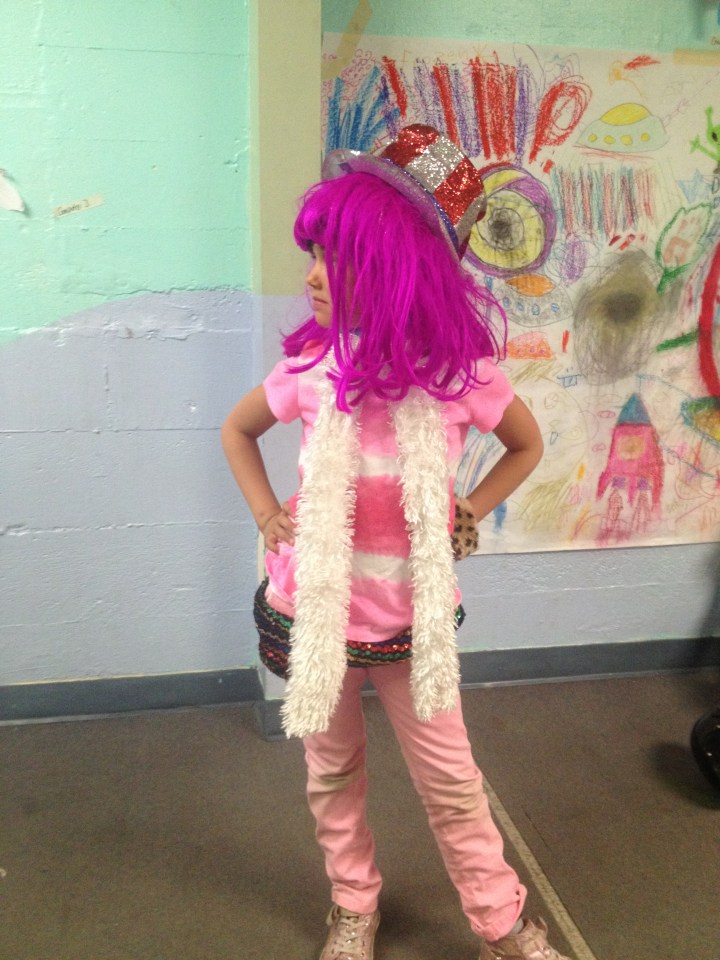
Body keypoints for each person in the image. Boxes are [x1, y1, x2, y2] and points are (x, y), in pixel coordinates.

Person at [222, 125, 569, 960]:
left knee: (451, 780)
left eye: (333, 259)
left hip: (413, 622)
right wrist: (267, 515)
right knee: (333, 774)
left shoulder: (460, 376)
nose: (311, 277)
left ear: (396, 269)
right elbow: (238, 430)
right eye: (311, 255)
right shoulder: (311, 371)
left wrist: (469, 509)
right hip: (318, 618)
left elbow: (526, 445)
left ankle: (501, 922)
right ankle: (353, 904)